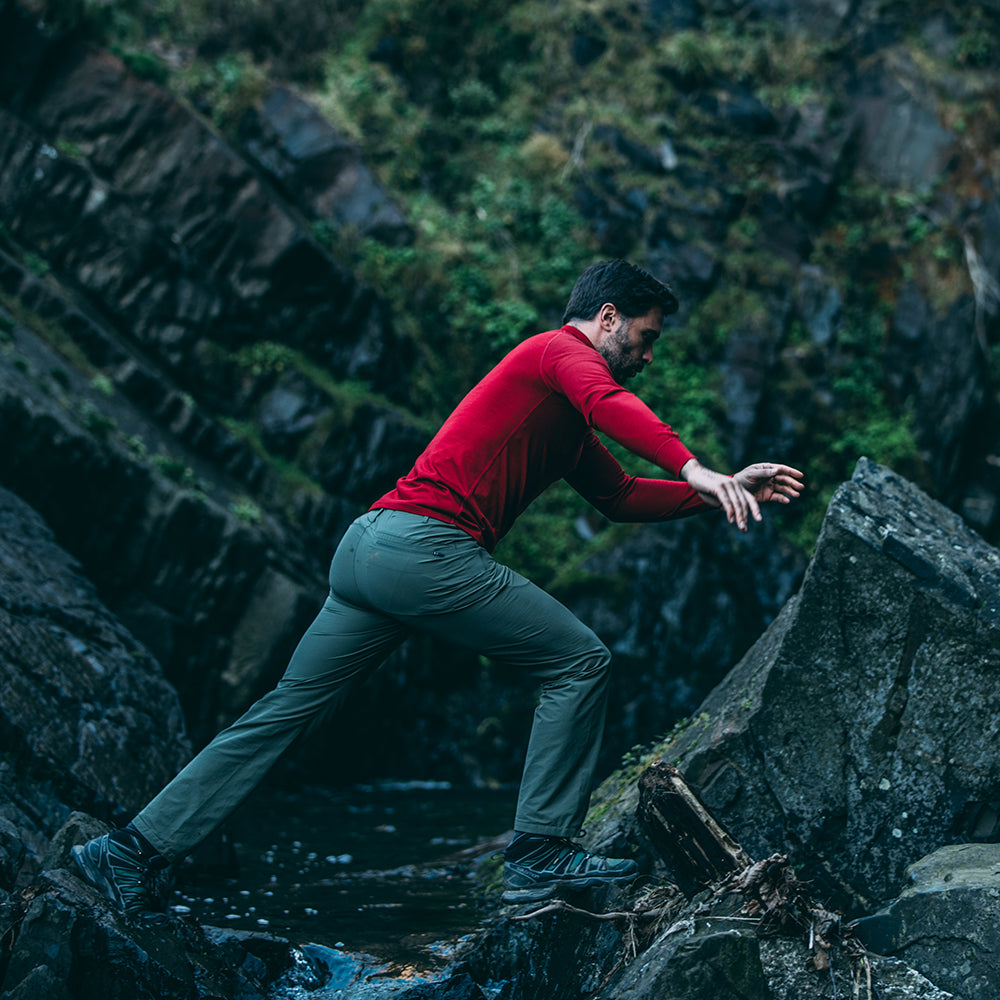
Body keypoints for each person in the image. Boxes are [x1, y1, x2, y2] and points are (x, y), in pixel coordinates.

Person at [73, 259, 804, 915]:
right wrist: (692, 465)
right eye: (643, 338)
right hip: (421, 547)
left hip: (368, 550)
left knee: (283, 713)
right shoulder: (558, 352)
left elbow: (617, 497)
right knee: (579, 662)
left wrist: (717, 491)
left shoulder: (563, 414)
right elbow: (611, 403)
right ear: (604, 318)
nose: (646, 356)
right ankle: (540, 851)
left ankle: (126, 854)